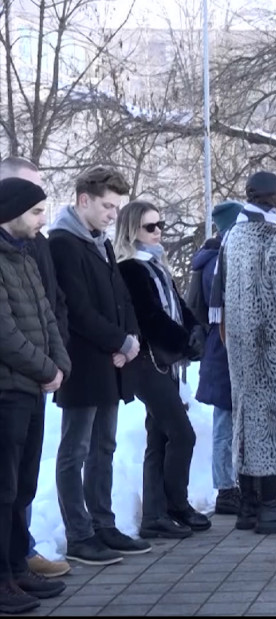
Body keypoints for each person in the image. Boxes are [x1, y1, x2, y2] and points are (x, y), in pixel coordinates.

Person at [50, 165, 149, 565]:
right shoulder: (62, 243)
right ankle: (79, 533)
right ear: (83, 200)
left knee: (104, 447)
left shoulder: (100, 242)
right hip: (82, 363)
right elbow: (76, 308)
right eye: (108, 206)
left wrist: (130, 341)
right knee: (76, 450)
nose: (113, 214)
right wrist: (120, 340)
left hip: (112, 361)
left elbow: (120, 298)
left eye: (117, 207)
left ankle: (104, 524)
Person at [211, 171, 276, 535]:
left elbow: (221, 291)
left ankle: (249, 507)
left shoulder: (233, 235)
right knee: (274, 423)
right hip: (274, 345)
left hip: (241, 344)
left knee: (248, 422)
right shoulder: (274, 238)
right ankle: (270, 507)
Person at [115, 201, 208, 539]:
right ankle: (174, 505)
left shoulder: (155, 263)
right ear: (131, 231)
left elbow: (178, 306)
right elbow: (150, 317)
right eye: (150, 227)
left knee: (159, 436)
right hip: (144, 361)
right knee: (182, 433)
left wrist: (196, 329)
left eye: (160, 225)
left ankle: (155, 515)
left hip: (163, 360)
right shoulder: (130, 267)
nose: (158, 232)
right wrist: (186, 341)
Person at [0, 178, 71, 612]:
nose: (42, 219)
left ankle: (16, 569)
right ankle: (2, 579)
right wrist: (46, 368)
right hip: (8, 391)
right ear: (10, 213)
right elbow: (4, 334)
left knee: (23, 487)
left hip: (32, 389)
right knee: (3, 489)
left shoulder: (24, 256)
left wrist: (59, 363)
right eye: (35, 212)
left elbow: (45, 312)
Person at [190, 201, 251, 515]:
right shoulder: (218, 261)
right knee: (226, 422)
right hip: (223, 350)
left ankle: (237, 482)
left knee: (232, 420)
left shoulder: (215, 257)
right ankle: (226, 488)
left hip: (223, 348)